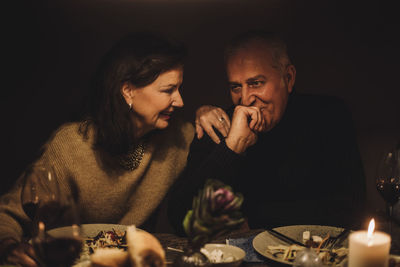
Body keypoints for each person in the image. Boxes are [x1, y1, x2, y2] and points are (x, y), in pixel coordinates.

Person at [0, 32, 194, 266]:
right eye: (168, 90)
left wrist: (209, 113)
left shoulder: (178, 137)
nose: (180, 101)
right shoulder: (71, 146)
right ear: (128, 90)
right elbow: (7, 214)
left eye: (179, 88)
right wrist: (8, 246)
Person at [168, 30, 367, 236]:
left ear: (288, 78)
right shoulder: (217, 124)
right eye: (236, 87)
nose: (245, 99)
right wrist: (231, 149)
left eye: (256, 83)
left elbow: (351, 209)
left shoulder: (328, 115)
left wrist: (254, 218)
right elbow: (180, 218)